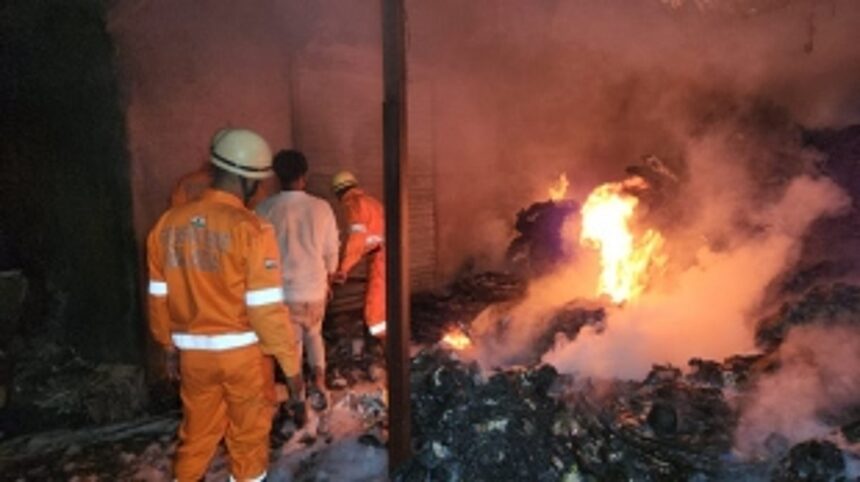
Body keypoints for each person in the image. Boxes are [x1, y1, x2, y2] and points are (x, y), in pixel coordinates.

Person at [147, 128, 303, 482]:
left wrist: (166, 346)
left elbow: (158, 296)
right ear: (248, 180)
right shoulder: (252, 229)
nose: (260, 189)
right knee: (248, 441)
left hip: (193, 358)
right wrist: (291, 371)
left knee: (197, 436)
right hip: (242, 359)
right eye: (259, 183)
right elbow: (265, 310)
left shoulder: (166, 225)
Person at [256, 150, 339, 411]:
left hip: (281, 293)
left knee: (292, 346)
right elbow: (331, 250)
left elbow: (257, 254)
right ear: (305, 175)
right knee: (315, 335)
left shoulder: (264, 209)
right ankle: (320, 384)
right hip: (314, 288)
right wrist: (329, 276)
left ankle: (298, 396)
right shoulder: (321, 207)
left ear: (277, 176)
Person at [330, 171, 386, 344]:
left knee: (375, 302)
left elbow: (357, 239)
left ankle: (380, 342)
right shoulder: (372, 202)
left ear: (339, 192)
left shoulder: (353, 204)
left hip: (379, 256)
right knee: (383, 298)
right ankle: (382, 337)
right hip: (384, 253)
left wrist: (344, 268)